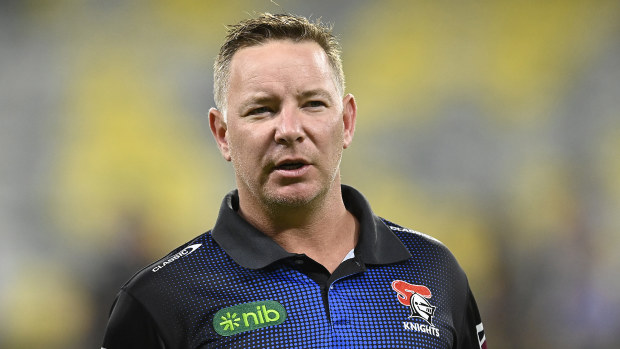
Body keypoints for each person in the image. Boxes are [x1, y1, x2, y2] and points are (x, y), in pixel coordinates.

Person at [101, 13, 487, 349]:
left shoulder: (435, 269)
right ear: (222, 134)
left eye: (313, 104)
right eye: (261, 109)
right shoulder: (160, 300)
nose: (289, 130)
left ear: (347, 122)